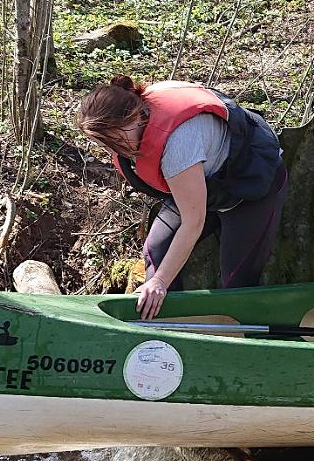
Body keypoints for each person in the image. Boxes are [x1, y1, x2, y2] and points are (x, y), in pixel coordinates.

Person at [77, 75, 288, 320]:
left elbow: (193, 222)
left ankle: (246, 339)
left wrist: (160, 282)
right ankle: (162, 323)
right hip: (204, 181)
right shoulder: (136, 118)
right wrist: (155, 282)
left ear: (133, 118)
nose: (111, 151)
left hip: (251, 185)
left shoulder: (177, 144)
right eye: (102, 145)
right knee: (156, 249)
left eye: (112, 141)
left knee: (237, 280)